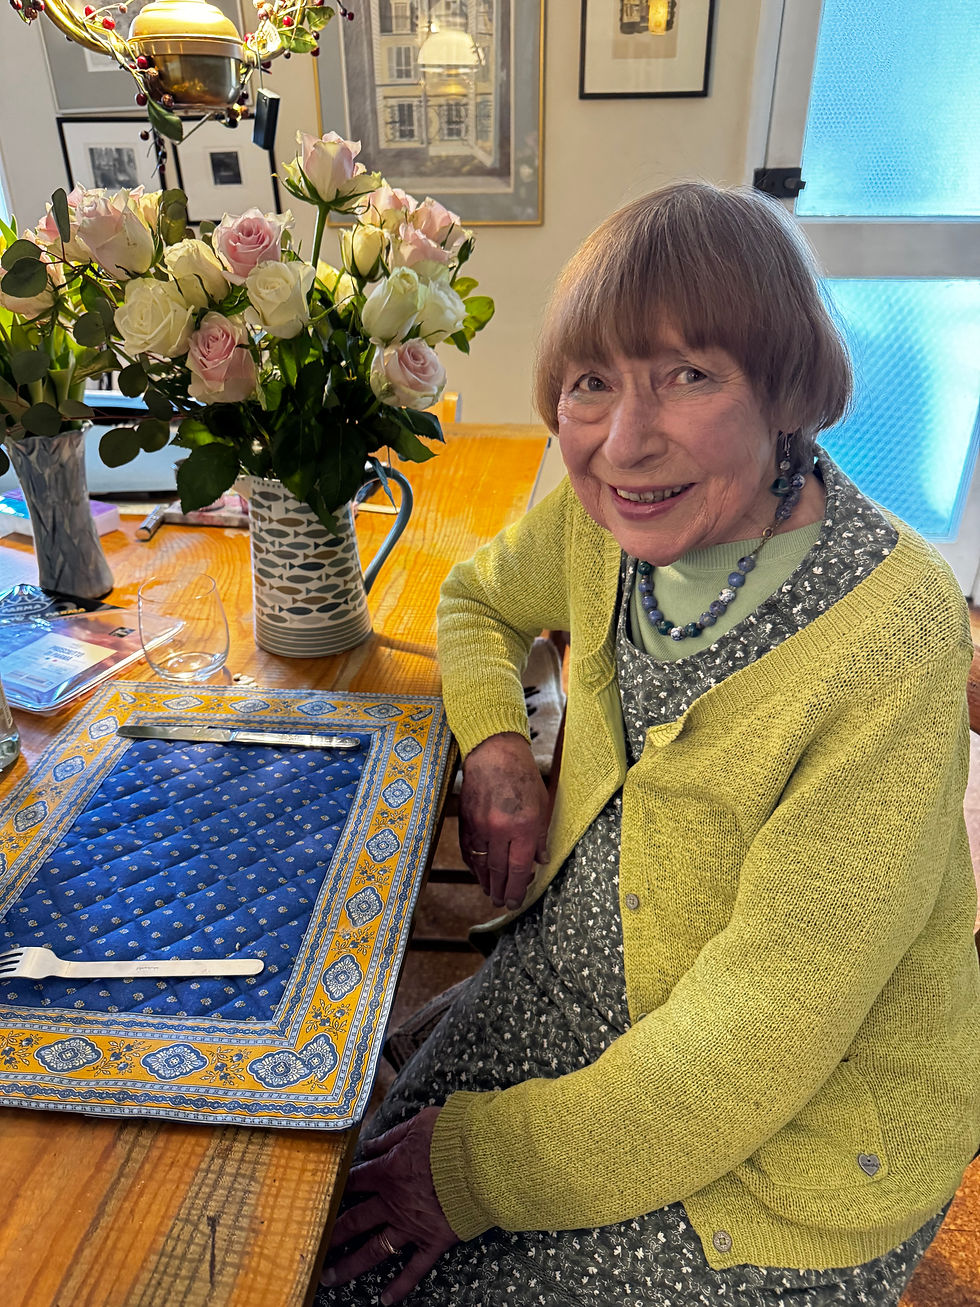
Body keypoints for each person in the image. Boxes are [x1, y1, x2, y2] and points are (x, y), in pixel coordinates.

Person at [317, 181, 980, 1307]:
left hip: (792, 1135)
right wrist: (494, 750)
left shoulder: (893, 634)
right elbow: (475, 600)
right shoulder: (606, 515)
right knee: (329, 1218)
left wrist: (471, 1165)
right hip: (576, 987)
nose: (624, 439)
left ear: (783, 389)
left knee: (396, 1265)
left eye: (688, 374)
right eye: (591, 383)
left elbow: (752, 1043)